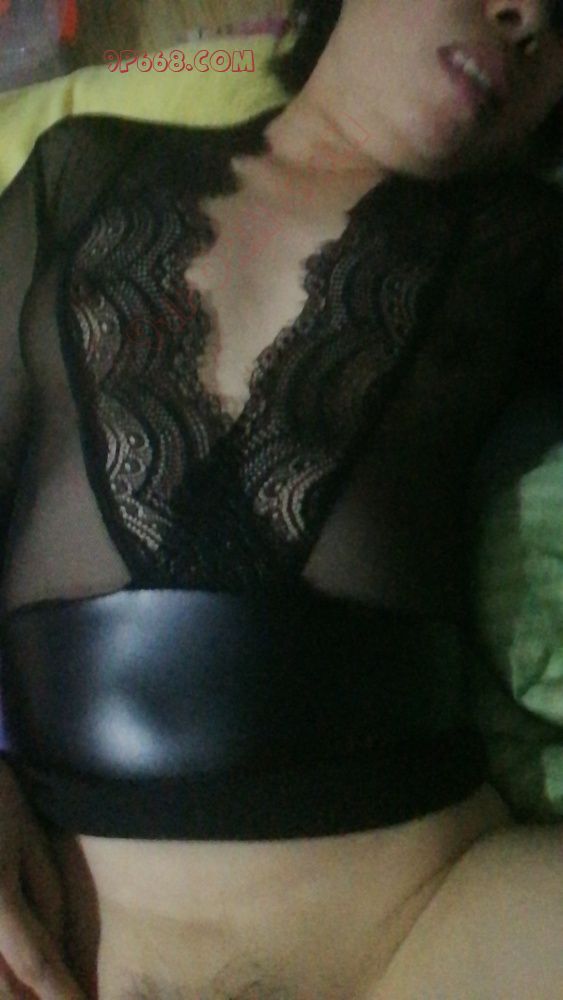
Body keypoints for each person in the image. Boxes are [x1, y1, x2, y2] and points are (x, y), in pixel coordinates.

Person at [0, 1, 561, 998]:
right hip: (48, 916)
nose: (529, 21)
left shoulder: (525, 238)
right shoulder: (79, 168)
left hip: (415, 924)